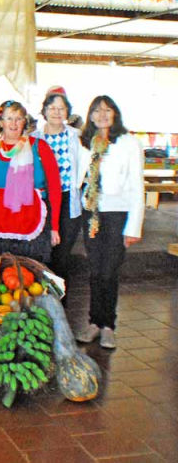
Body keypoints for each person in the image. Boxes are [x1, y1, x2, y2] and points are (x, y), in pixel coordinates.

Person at [75, 96, 144, 350]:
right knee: (94, 270)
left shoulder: (128, 143)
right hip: (92, 212)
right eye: (96, 110)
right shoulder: (86, 143)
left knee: (109, 270)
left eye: (107, 110)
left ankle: (108, 326)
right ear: (90, 116)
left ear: (115, 114)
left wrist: (133, 226)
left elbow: (137, 185)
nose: (102, 114)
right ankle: (94, 322)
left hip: (118, 213)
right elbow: (80, 179)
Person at [0, 101, 62, 263]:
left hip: (32, 220)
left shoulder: (40, 147)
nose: (14, 123)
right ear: (0, 122)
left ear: (24, 121)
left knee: (33, 272)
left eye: (19, 118)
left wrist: (54, 227)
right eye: (9, 118)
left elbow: (54, 187)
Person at [31, 86, 82, 293]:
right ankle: (41, 301)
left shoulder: (77, 137)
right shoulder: (33, 138)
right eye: (52, 107)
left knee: (62, 255)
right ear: (44, 111)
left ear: (67, 111)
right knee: (42, 252)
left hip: (68, 201)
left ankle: (60, 305)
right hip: (42, 201)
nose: (56, 112)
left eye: (61, 108)